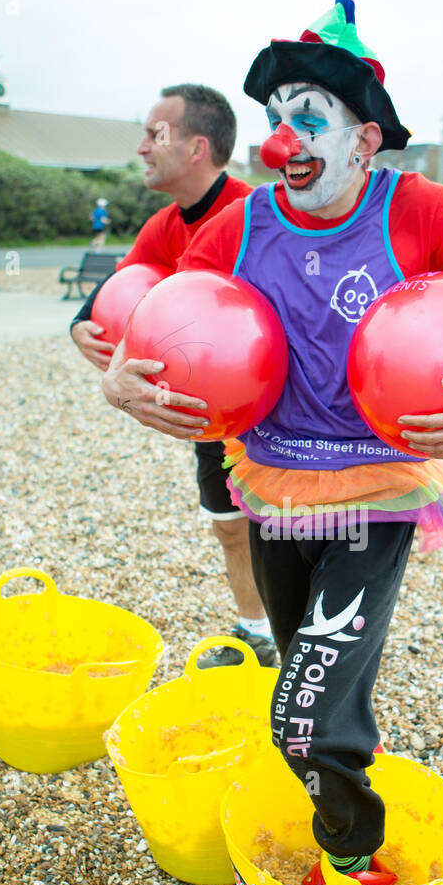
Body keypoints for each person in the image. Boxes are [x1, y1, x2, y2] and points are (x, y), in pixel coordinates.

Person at [103, 0, 443, 885]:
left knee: (302, 711)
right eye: (277, 119)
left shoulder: (422, 209)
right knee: (315, 678)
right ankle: (344, 745)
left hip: (378, 490)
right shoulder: (240, 225)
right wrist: (120, 379)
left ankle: (353, 859)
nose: (282, 140)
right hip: (271, 483)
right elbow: (167, 320)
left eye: (305, 117)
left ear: (364, 138)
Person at [71, 85, 276, 667]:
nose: (141, 147)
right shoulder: (164, 225)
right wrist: (78, 326)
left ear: (197, 148)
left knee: (289, 531)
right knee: (230, 525)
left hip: (274, 404)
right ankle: (255, 633)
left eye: (154, 133)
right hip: (208, 408)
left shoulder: (261, 212)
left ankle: (309, 645)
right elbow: (119, 290)